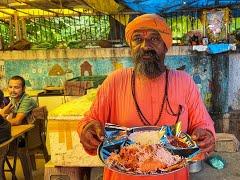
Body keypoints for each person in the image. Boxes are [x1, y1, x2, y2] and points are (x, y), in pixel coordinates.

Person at [78, 14, 216, 180]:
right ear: (131, 46)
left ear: (166, 46)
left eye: (154, 39)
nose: (145, 46)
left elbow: (202, 124)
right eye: (137, 39)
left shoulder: (185, 82)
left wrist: (206, 134)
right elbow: (91, 120)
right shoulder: (115, 81)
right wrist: (88, 130)